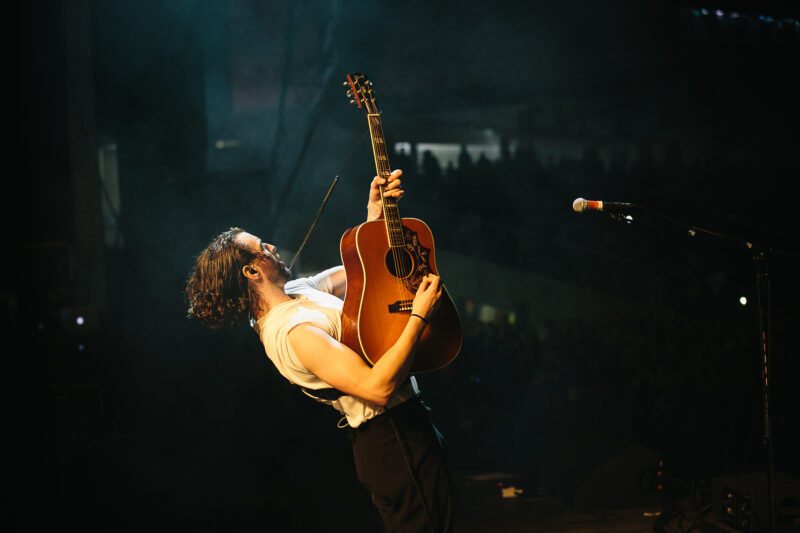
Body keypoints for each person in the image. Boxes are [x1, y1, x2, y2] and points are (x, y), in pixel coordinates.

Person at [184, 169, 454, 532]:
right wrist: (419, 316)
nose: (272, 248)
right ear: (250, 271)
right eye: (263, 248)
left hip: (405, 426)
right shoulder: (293, 332)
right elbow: (377, 388)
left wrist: (374, 216)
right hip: (392, 437)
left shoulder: (298, 290)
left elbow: (366, 271)